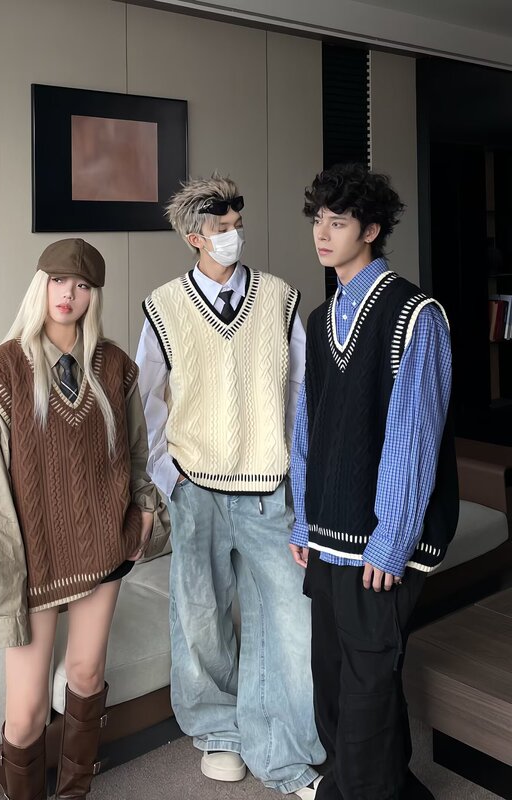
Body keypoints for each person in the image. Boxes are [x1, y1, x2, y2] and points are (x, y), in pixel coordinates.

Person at [136, 175, 325, 798]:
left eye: (237, 224)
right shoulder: (164, 306)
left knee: (291, 621)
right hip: (197, 490)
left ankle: (287, 754)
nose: (234, 235)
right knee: (200, 619)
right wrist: (170, 478)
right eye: (221, 228)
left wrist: (300, 475)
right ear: (195, 236)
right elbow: (146, 402)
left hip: (270, 488)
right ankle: (220, 732)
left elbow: (299, 395)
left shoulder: (279, 298)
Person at [0, 238, 169, 800]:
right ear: (42, 285)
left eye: (82, 285)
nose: (69, 294)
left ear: (93, 295)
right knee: (26, 712)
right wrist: (5, 588)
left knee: (85, 675)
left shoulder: (115, 366)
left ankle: (75, 790)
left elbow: (136, 453)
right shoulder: (1, 369)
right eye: (59, 281)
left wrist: (145, 513)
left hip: (102, 548)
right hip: (35, 560)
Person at [290, 163, 459, 800]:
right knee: (335, 689)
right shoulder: (318, 320)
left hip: (380, 545)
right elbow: (307, 426)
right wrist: (303, 519)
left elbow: (414, 437)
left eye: (338, 222)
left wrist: (391, 540)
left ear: (371, 230)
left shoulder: (414, 314)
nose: (322, 233)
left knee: (366, 698)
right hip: (327, 534)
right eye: (318, 220)